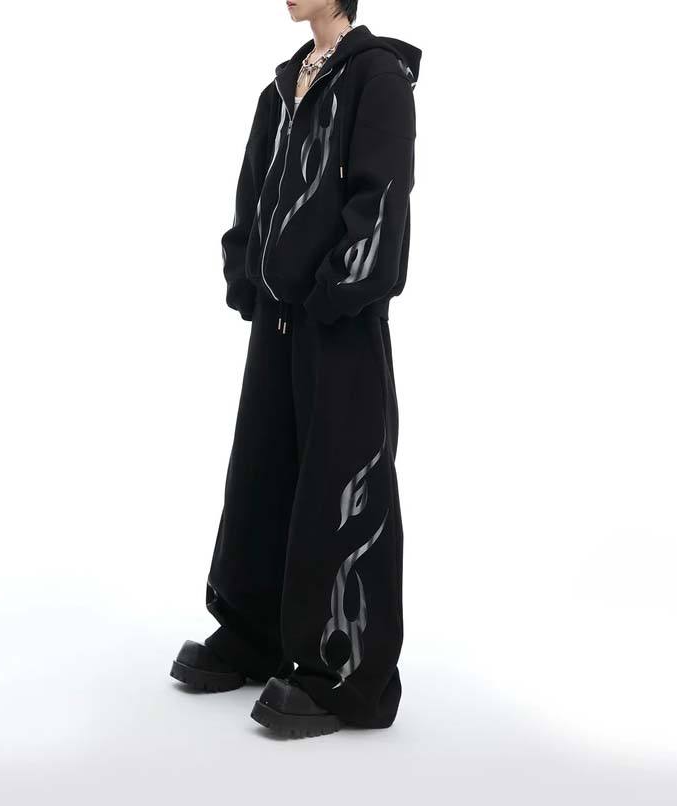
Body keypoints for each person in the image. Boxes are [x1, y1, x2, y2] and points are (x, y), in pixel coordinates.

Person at [171, 0, 420, 738]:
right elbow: (254, 190)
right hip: (278, 317)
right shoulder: (282, 86)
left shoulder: (378, 78)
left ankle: (343, 674)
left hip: (339, 320)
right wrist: (247, 271)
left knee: (343, 483)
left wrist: (336, 289)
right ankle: (255, 632)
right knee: (262, 469)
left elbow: (383, 198)